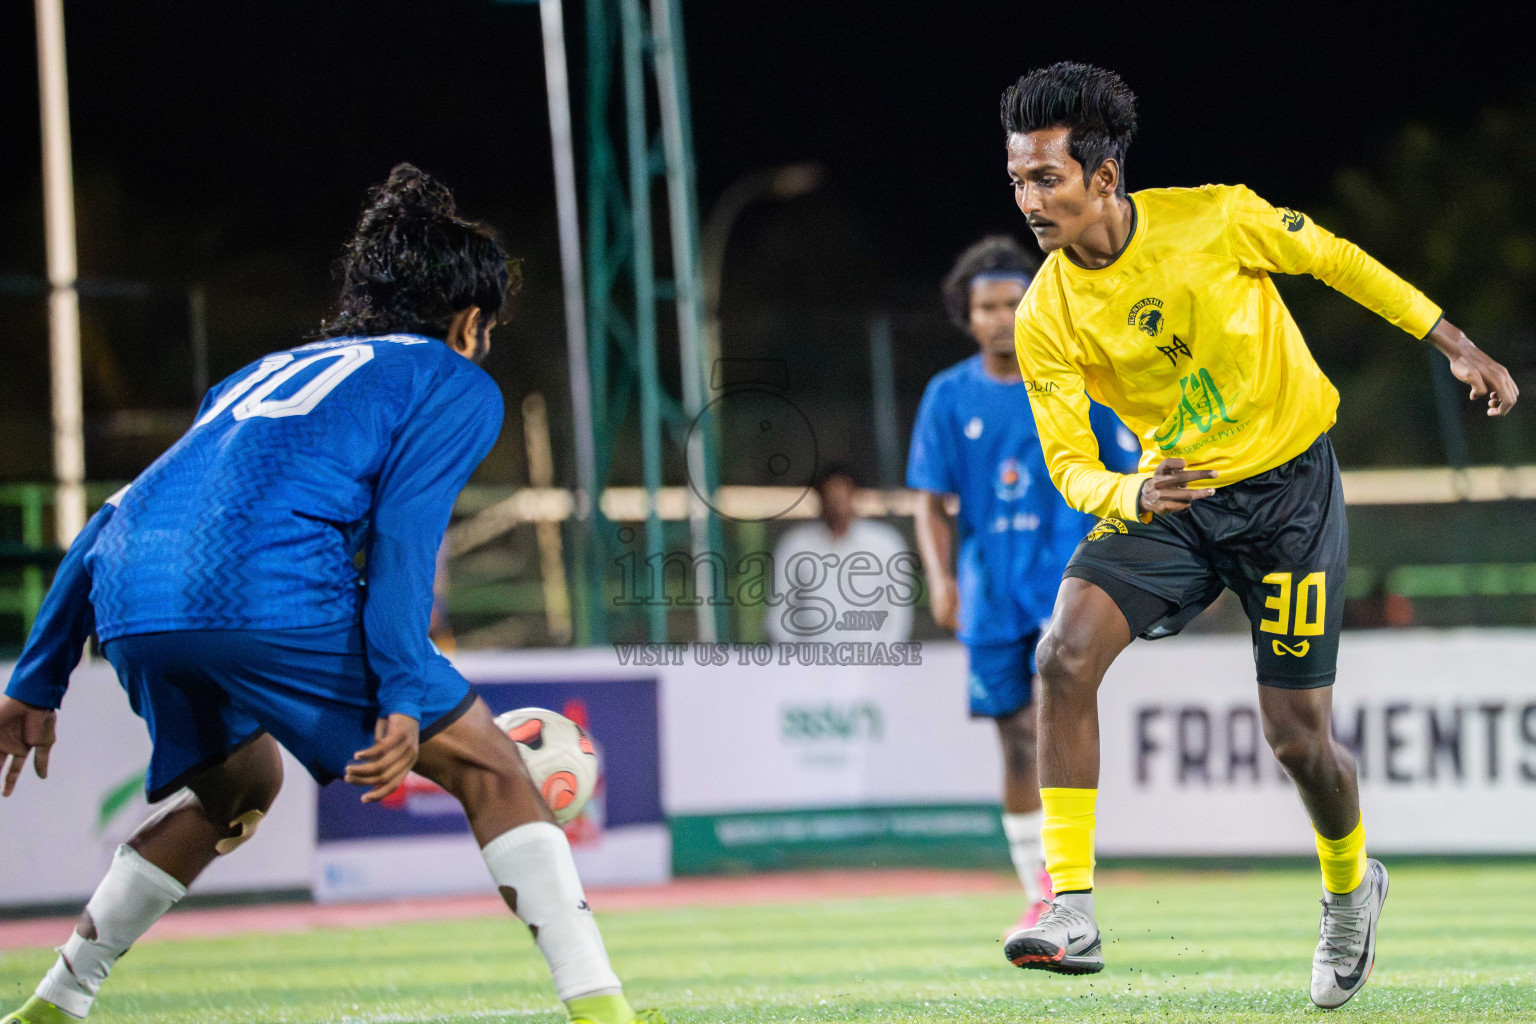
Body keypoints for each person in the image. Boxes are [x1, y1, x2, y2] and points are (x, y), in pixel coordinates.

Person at [0, 165, 663, 1024]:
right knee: (490, 764)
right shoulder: (452, 380)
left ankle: (57, 1000)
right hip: (261, 588)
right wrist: (398, 687)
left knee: (236, 792)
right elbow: (402, 540)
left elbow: (109, 518)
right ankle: (603, 1009)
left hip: (133, 597)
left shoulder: (258, 373)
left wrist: (35, 677)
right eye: (487, 328)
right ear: (467, 321)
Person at [996, 63, 1518, 1008]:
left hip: (1289, 496)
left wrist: (1454, 342)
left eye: (1047, 179)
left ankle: (1351, 889)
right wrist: (1129, 490)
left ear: (1104, 178)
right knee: (1063, 654)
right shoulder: (1045, 316)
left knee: (1297, 741)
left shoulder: (1212, 218)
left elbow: (1339, 261)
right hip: (1177, 501)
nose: (1029, 200)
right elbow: (1069, 464)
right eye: (1018, 179)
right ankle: (1067, 903)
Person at [907, 236, 1139, 937]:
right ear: (967, 315)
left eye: (1013, 302)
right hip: (988, 590)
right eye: (987, 307)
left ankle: (1065, 881)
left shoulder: (1076, 378)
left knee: (1053, 711)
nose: (1002, 317)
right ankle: (1037, 888)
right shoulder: (949, 395)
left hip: (1068, 582)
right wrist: (942, 579)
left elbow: (1129, 474)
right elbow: (929, 499)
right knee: (1012, 739)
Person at [765, 462, 914, 644]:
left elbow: (898, 613)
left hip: (873, 663)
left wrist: (886, 658)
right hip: (810, 664)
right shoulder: (796, 546)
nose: (837, 504)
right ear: (819, 498)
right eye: (830, 496)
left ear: (855, 495)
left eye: (842, 495)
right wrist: (795, 662)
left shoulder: (885, 543)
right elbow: (779, 615)